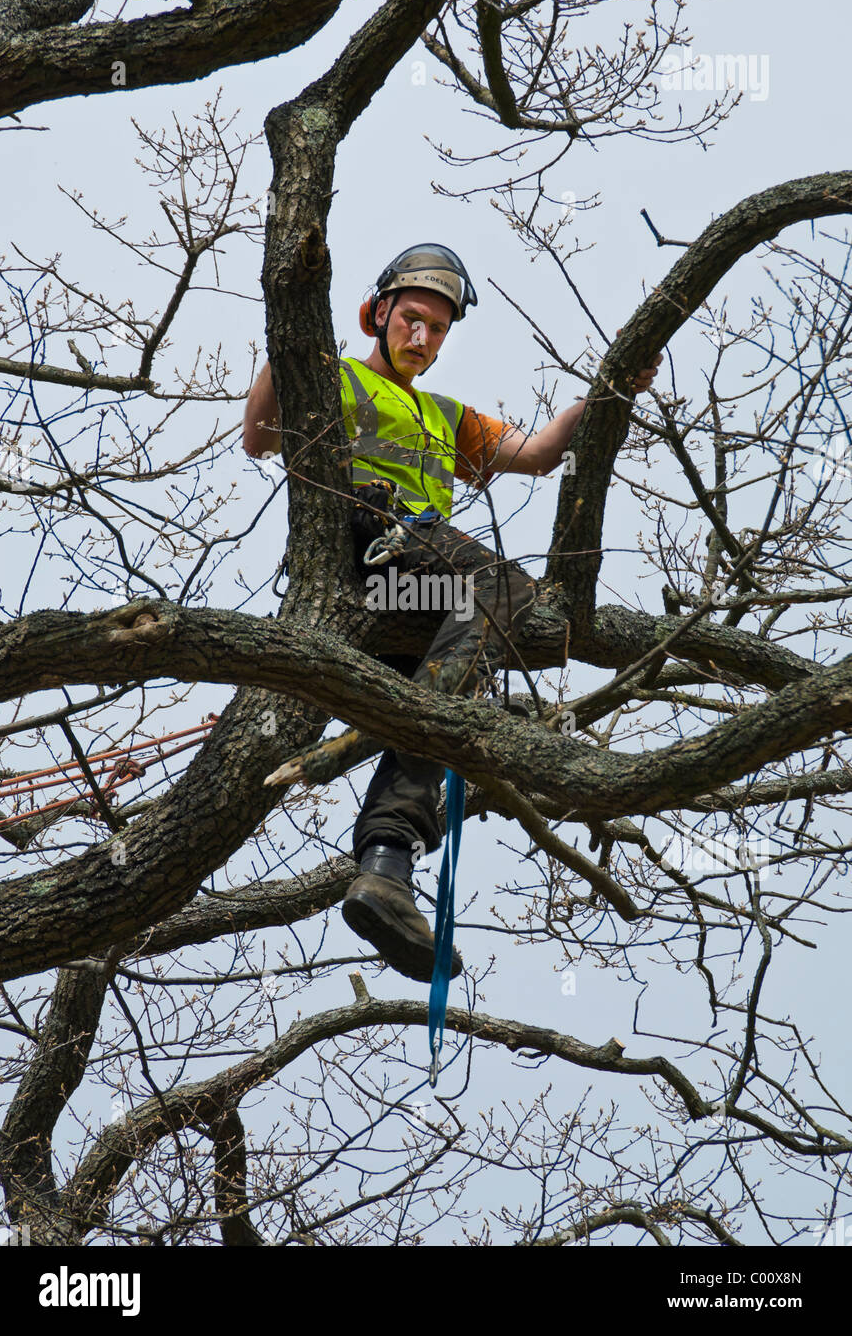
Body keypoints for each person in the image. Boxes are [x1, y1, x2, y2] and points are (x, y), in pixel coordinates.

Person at [244, 244, 661, 983]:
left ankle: (385, 865)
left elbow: (533, 455)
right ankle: (436, 718)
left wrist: (607, 395)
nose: (422, 341)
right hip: (368, 548)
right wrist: (291, 350)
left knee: (461, 668)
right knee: (505, 591)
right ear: (377, 315)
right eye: (410, 321)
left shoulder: (445, 415)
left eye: (436, 331)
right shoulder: (331, 377)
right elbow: (260, 437)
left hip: (419, 592)